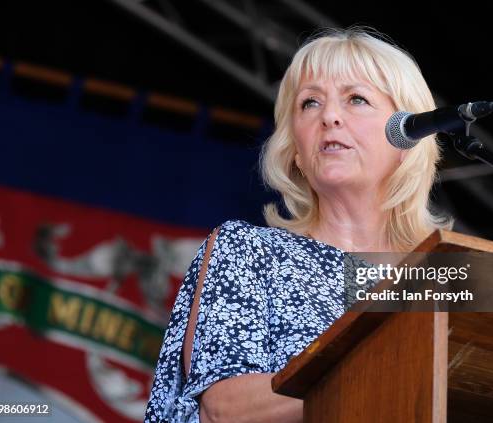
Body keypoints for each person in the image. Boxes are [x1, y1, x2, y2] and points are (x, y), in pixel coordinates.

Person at [144, 27, 449, 423]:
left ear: (409, 137)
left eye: (356, 99)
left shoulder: (445, 278)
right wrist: (381, 376)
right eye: (310, 104)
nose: (330, 117)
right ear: (297, 153)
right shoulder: (248, 251)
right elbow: (227, 408)